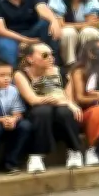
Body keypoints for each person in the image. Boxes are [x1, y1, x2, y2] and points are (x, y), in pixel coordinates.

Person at [14, 43, 83, 173]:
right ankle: (36, 155)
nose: (51, 58)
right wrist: (62, 101)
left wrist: (67, 103)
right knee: (42, 110)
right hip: (37, 115)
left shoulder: (61, 72)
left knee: (65, 112)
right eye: (45, 55)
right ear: (30, 59)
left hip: (58, 114)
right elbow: (33, 100)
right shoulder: (20, 74)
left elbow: (69, 98)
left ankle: (74, 151)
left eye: (52, 54)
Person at [48, 0, 99, 66]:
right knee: (68, 32)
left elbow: (92, 24)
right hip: (67, 34)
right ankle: (70, 65)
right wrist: (85, 24)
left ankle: (88, 63)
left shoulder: (91, 0)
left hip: (84, 32)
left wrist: (84, 25)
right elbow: (60, 25)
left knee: (89, 32)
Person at [0, 58, 31, 176]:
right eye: (1, 75)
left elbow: (18, 113)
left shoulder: (12, 90)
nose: (7, 78)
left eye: (9, 75)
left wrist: (13, 119)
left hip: (4, 124)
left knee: (25, 125)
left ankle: (10, 163)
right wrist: (1, 120)